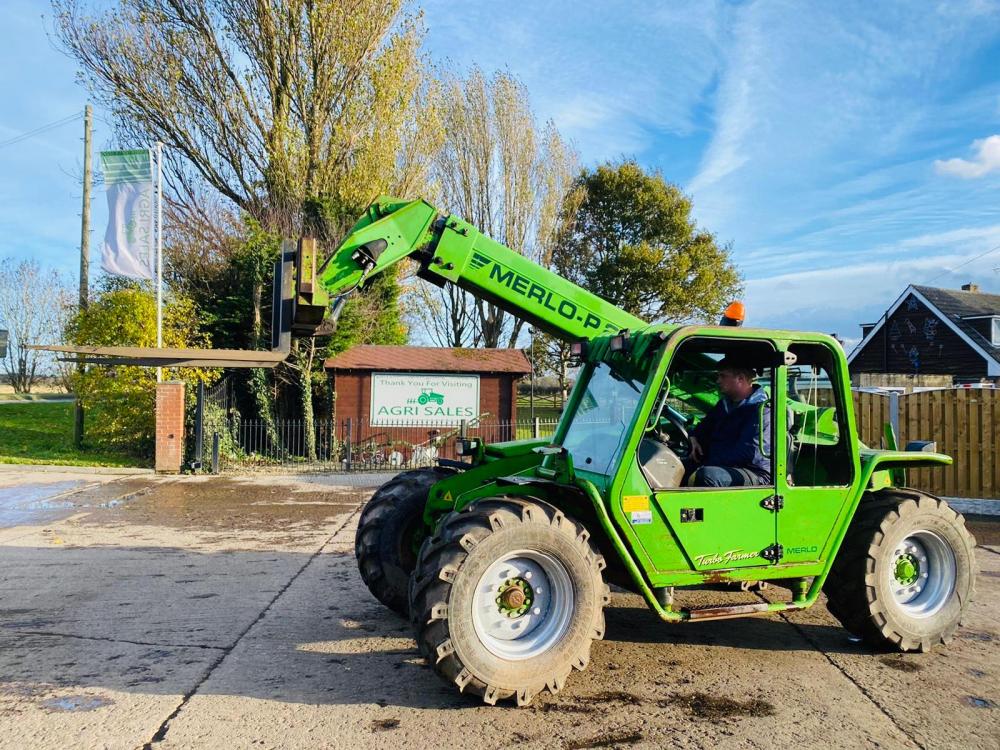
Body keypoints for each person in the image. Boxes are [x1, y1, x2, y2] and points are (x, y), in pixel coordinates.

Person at [684, 357, 771, 487]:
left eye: (723, 376)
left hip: (754, 471)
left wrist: (708, 461)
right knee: (676, 467)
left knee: (707, 476)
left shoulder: (762, 410)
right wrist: (693, 437)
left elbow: (748, 453)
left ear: (740, 378)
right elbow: (703, 428)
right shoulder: (724, 405)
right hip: (724, 464)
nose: (718, 380)